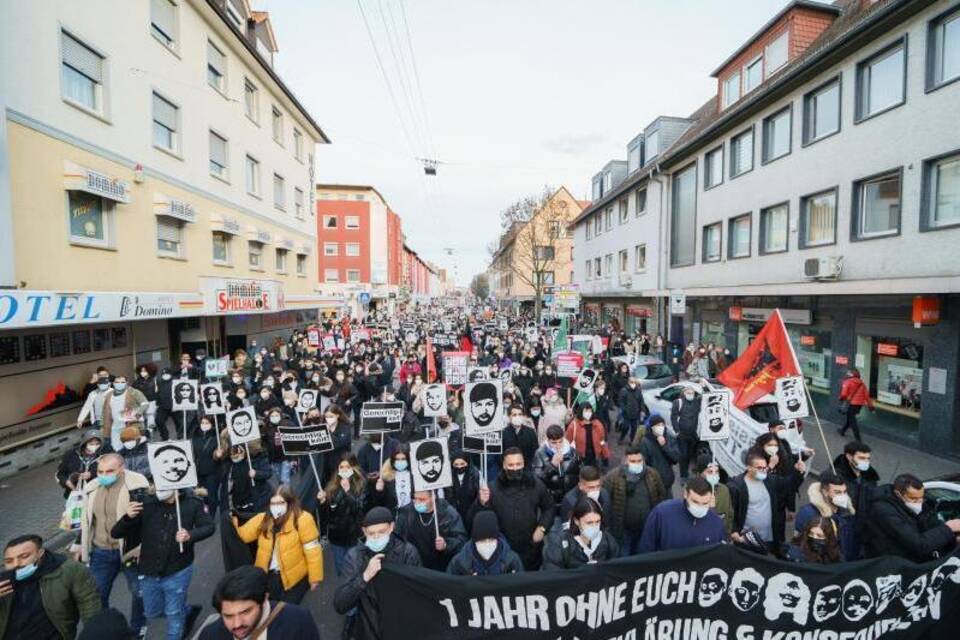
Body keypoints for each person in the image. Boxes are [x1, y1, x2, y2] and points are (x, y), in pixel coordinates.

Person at [111, 487, 214, 640]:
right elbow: (116, 533)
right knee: (151, 611)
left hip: (178, 569)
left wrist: (190, 535)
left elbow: (209, 527)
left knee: (173, 616)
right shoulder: (146, 503)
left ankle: (178, 616)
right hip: (149, 570)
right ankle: (185, 611)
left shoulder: (193, 503)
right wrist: (128, 517)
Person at [75, 453, 149, 637]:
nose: (104, 475)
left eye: (110, 471)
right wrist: (79, 544)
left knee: (139, 593)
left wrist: (144, 546)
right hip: (101, 552)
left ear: (121, 468)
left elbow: (148, 520)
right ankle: (106, 632)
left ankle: (137, 629)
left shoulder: (137, 486)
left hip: (130, 551)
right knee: (97, 595)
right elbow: (87, 520)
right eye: (100, 471)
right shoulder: (92, 488)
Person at [334, 507, 421, 640]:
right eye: (371, 533)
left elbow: (419, 593)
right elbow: (340, 604)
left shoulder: (407, 552)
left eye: (381, 532)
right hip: (368, 628)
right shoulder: (355, 557)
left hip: (401, 627)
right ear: (364, 531)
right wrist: (364, 577)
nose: (376, 537)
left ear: (391, 527)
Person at [0, 534, 100, 640]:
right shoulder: (3, 580)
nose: (16, 564)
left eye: (24, 556)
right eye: (9, 561)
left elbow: (91, 608)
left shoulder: (70, 571)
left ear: (40, 553)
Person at [235, 485, 323, 604]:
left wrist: (315, 578)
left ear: (290, 503)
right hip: (267, 578)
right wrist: (231, 521)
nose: (276, 507)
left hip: (294, 580)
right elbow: (243, 535)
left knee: (287, 613)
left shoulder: (303, 520)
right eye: (273, 503)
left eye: (280, 502)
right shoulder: (263, 519)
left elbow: (313, 551)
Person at [470, 448, 554, 570]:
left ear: (524, 464)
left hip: (530, 549)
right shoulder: (491, 488)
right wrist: (481, 502)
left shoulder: (535, 484)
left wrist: (542, 528)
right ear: (504, 465)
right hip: (503, 551)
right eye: (511, 465)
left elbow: (549, 507)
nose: (515, 468)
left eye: (518, 464)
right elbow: (475, 519)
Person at [198, 566, 320, 640]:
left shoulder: (298, 621)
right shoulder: (210, 635)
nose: (237, 624)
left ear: (264, 598)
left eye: (246, 612)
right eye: (228, 616)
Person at [865, 473, 960, 562]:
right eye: (914, 499)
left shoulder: (917, 505)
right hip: (891, 563)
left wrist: (953, 539)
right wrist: (948, 528)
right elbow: (919, 545)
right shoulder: (885, 511)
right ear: (898, 494)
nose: (919, 502)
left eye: (921, 497)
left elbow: (930, 524)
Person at [728, 448, 804, 558]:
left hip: (769, 538)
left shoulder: (770, 480)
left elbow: (788, 485)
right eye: (759, 468)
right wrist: (734, 532)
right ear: (749, 467)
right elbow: (731, 511)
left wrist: (798, 472)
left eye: (764, 468)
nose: (763, 471)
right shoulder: (736, 487)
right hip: (747, 540)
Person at [603, 444, 667, 556]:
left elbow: (661, 495)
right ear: (625, 461)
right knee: (624, 558)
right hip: (623, 530)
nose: (636, 464)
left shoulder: (652, 475)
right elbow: (605, 500)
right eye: (633, 461)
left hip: (646, 528)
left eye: (639, 460)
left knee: (642, 558)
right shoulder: (613, 477)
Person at [638, 477, 726, 552]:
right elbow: (646, 548)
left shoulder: (716, 523)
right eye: (695, 502)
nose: (700, 507)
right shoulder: (662, 513)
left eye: (705, 503)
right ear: (685, 494)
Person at [319, 454, 370, 577]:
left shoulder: (361, 485)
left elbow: (359, 509)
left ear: (354, 468)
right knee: (341, 570)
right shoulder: (331, 487)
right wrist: (323, 502)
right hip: (337, 537)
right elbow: (328, 515)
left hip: (355, 536)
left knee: (356, 569)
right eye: (341, 467)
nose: (344, 470)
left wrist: (347, 492)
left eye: (348, 466)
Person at [394, 490, 467, 571]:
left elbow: (461, 541)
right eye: (415, 499)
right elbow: (397, 539)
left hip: (441, 568)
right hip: (415, 567)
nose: (417, 503)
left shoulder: (448, 513)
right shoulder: (406, 512)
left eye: (422, 500)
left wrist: (446, 545)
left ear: (433, 497)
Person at [794, 472, 859, 561]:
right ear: (825, 492)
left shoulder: (847, 512)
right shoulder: (807, 513)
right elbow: (800, 542)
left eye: (844, 492)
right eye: (837, 492)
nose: (843, 496)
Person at [542, 497, 620, 569]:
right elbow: (553, 574)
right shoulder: (558, 542)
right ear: (576, 521)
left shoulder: (607, 539)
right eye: (589, 523)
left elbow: (616, 568)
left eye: (597, 522)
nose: (594, 526)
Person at [833, 440, 879, 556]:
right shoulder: (834, 476)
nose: (866, 462)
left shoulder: (870, 477)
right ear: (849, 456)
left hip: (863, 523)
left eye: (868, 458)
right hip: (844, 524)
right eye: (861, 458)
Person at [446, 511, 523, 576]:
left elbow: (522, 587)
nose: (487, 544)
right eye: (482, 541)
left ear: (497, 539)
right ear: (475, 541)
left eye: (491, 540)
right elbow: (450, 588)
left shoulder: (512, 561)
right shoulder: (460, 563)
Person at [532, 424, 580, 506]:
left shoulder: (572, 452)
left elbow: (579, 472)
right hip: (550, 498)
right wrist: (552, 465)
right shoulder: (540, 453)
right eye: (553, 443)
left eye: (560, 442)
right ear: (548, 440)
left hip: (570, 497)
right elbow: (537, 479)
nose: (558, 446)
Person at [102, 375, 149, 451]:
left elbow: (145, 403)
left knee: (132, 447)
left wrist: (137, 415)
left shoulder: (133, 392)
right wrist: (104, 427)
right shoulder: (109, 395)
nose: (119, 384)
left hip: (131, 425)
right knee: (116, 448)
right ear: (113, 383)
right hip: (116, 426)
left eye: (122, 382)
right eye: (117, 382)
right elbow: (105, 413)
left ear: (126, 383)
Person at [56, 430, 107, 499]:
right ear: (84, 443)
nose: (94, 447)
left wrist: (92, 473)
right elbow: (60, 474)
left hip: (95, 495)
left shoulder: (103, 455)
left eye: (97, 444)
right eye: (91, 444)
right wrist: (67, 483)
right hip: (74, 494)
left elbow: (109, 472)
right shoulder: (71, 454)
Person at [635, 414, 680, 493]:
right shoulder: (646, 441)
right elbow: (643, 463)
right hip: (653, 482)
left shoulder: (669, 438)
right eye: (657, 425)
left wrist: (664, 446)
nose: (660, 427)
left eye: (662, 425)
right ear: (652, 427)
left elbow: (676, 458)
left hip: (667, 480)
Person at [695, 455, 734, 535]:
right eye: (710, 472)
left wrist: (728, 533)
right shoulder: (693, 492)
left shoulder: (724, 490)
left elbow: (729, 515)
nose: (714, 475)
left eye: (717, 471)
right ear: (700, 473)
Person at [564, 403, 609, 469]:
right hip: (579, 457)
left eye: (590, 411)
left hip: (594, 456)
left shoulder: (598, 424)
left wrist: (605, 454)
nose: (588, 413)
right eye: (586, 411)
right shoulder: (573, 426)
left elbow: (602, 440)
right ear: (581, 411)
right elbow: (567, 442)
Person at [670, 386, 701, 480]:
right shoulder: (678, 402)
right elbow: (673, 417)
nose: (690, 395)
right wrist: (677, 431)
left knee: (689, 455)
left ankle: (686, 471)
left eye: (692, 393)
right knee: (683, 455)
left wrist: (703, 385)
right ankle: (683, 475)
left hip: (693, 434)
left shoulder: (697, 402)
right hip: (682, 434)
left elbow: (706, 397)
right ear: (684, 393)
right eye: (688, 393)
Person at [838, 368, 873, 441]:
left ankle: (858, 439)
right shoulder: (862, 384)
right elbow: (867, 396)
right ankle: (842, 431)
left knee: (852, 421)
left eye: (848, 373)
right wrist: (871, 406)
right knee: (850, 418)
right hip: (859, 405)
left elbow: (843, 394)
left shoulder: (847, 382)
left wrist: (841, 398)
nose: (847, 374)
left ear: (850, 374)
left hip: (851, 404)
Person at [447, 452, 481, 527]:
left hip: (472, 511)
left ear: (468, 463)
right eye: (456, 464)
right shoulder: (448, 476)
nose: (459, 467)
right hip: (454, 513)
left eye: (462, 464)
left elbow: (479, 494)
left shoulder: (475, 473)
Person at [616, 377, 647, 444]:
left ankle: (632, 440)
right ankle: (622, 437)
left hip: (635, 413)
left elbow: (641, 401)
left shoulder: (638, 391)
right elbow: (621, 401)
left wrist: (642, 410)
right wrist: (624, 409)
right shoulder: (624, 390)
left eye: (634, 382)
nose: (633, 384)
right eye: (631, 382)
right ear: (628, 383)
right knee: (626, 427)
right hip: (627, 413)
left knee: (634, 428)